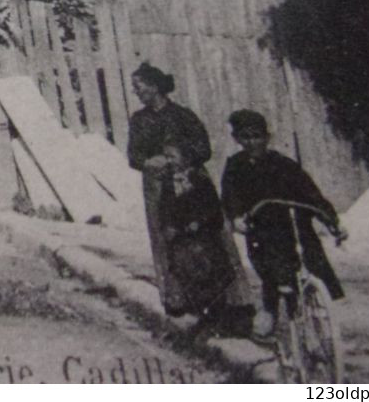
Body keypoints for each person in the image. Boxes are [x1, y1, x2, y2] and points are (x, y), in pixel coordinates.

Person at [126, 62, 253, 330]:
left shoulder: (183, 116)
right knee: (167, 237)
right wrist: (150, 162)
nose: (136, 92)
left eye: (139, 87)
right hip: (158, 187)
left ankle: (234, 300)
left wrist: (181, 161)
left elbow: (204, 149)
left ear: (155, 87)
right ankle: (177, 298)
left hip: (192, 183)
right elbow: (133, 156)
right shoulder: (138, 120)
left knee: (212, 236)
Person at [220, 109, 346, 339]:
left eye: (257, 136)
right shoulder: (235, 166)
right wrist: (237, 217)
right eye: (246, 137)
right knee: (271, 268)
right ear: (237, 139)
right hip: (261, 225)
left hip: (293, 222)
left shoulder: (284, 164)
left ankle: (318, 309)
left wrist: (331, 221)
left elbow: (311, 194)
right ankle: (270, 310)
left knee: (311, 257)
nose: (252, 142)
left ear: (267, 138)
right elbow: (230, 196)